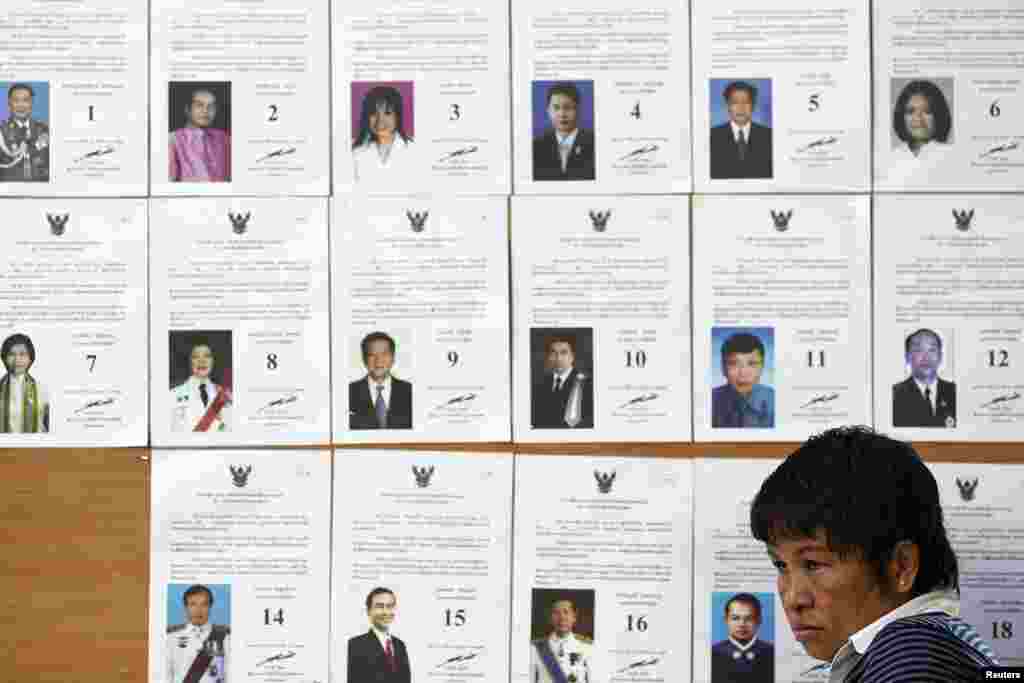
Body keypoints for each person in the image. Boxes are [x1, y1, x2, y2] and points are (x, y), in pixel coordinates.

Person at [750, 426, 999, 682]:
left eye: (813, 564)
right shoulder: (931, 647)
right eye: (780, 565)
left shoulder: (912, 658)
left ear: (901, 566)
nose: (793, 599)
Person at [892, 328, 956, 428]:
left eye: (932, 350)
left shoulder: (954, 392)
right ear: (907, 357)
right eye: (918, 350)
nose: (926, 357)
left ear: (940, 356)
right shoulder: (894, 395)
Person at [166, 584, 229, 683]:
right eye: (193, 604)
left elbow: (230, 675)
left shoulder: (226, 639)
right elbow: (166, 676)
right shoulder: (170, 639)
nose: (198, 610)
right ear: (186, 607)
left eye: (204, 604)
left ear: (210, 607)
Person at [532, 82, 595, 181]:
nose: (562, 114)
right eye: (556, 108)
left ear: (578, 110)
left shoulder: (594, 144)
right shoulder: (536, 146)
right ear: (548, 111)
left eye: (568, 108)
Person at [710, 81, 772, 179]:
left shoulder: (769, 136)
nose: (741, 108)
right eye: (735, 102)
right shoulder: (712, 136)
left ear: (753, 106)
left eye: (746, 102)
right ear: (728, 106)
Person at [349, 331, 412, 429]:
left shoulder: (409, 391)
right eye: (372, 355)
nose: (378, 361)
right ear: (364, 359)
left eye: (384, 354)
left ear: (393, 358)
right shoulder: (350, 392)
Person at [347, 587, 411, 683]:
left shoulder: (400, 645)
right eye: (380, 606)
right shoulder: (354, 645)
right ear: (369, 611)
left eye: (390, 606)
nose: (385, 612)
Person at [352, 86, 414, 184]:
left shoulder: (415, 150)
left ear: (397, 116)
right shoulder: (354, 152)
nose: (380, 121)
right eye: (373, 113)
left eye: (387, 113)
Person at [711, 332, 774, 428]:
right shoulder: (709, 401)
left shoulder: (777, 401)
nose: (743, 373)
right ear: (723, 368)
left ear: (762, 367)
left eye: (752, 364)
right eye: (733, 364)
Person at [531, 334, 593, 429]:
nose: (558, 358)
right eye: (553, 353)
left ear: (572, 356)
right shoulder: (538, 385)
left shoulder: (587, 385)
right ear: (548, 357)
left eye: (564, 353)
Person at [169, 87, 231, 182]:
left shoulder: (225, 139)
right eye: (199, 105)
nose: (205, 111)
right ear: (188, 109)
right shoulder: (173, 139)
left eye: (211, 106)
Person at [711, 593, 774, 683]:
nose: (742, 624)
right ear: (726, 620)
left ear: (758, 621)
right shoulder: (714, 653)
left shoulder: (771, 652)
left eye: (749, 618)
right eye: (735, 618)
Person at [170, 340, 231, 432]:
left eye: (207, 356)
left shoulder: (227, 395)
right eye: (195, 357)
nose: (202, 361)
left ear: (213, 361)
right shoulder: (172, 395)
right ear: (189, 361)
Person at [531, 598, 592, 683]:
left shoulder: (587, 647)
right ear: (551, 618)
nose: (562, 617)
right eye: (556, 613)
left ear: (574, 617)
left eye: (566, 612)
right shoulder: (535, 648)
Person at [892, 80, 952, 162]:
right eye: (910, 111)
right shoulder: (893, 156)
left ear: (939, 116)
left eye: (927, 111)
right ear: (901, 117)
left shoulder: (950, 156)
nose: (918, 118)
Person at [0, 333, 49, 433]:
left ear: (30, 358)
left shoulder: (42, 390)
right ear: (4, 358)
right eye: (11, 354)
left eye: (22, 354)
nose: (17, 360)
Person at [0, 83, 50, 182]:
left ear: (31, 103)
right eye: (16, 100)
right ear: (9, 103)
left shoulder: (45, 129)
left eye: (25, 100)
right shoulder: (1, 131)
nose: (21, 105)